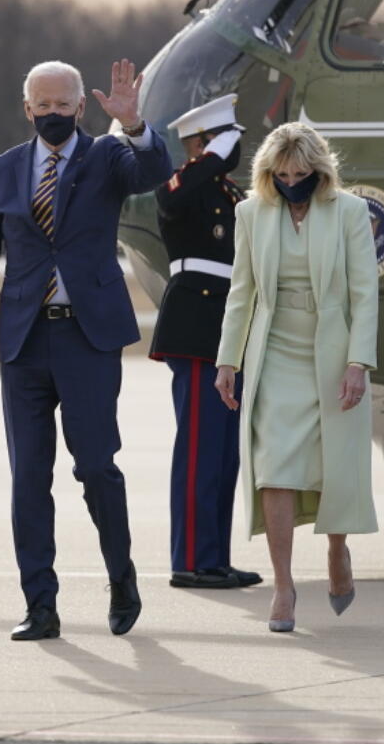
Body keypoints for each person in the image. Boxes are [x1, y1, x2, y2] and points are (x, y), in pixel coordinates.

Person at [0, 59, 172, 641]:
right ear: (26, 109)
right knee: (28, 476)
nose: (52, 114)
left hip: (88, 337)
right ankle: (41, 605)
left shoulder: (105, 157)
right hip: (24, 342)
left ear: (81, 107)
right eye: (42, 105)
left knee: (96, 467)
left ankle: (121, 577)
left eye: (63, 105)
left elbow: (153, 169)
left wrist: (132, 124)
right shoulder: (3, 169)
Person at [213, 122, 379, 632]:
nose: (292, 181)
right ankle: (283, 585)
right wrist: (228, 361)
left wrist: (358, 362)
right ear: (268, 173)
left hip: (330, 351)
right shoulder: (250, 213)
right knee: (274, 466)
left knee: (334, 466)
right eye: (282, 173)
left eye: (302, 173)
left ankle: (337, 551)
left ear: (319, 172)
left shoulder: (348, 211)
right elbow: (241, 292)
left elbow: (365, 293)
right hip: (275, 350)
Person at [149, 94, 261, 590]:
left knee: (222, 453)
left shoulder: (234, 197)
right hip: (196, 323)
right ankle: (191, 559)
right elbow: (172, 199)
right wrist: (213, 154)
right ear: (198, 146)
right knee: (198, 448)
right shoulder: (183, 186)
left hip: (230, 330)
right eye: (216, 141)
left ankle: (214, 557)